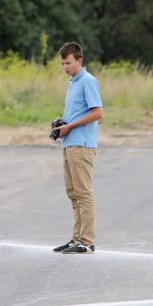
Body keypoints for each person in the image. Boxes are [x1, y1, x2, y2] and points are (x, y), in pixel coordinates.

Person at [50, 42, 104, 254]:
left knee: (83, 193)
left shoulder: (88, 81)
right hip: (69, 143)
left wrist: (70, 126)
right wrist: (63, 123)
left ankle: (87, 242)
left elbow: (98, 112)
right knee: (73, 193)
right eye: (62, 63)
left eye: (68, 63)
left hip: (81, 144)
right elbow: (79, 112)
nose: (65, 67)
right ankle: (76, 239)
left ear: (79, 60)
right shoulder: (73, 82)